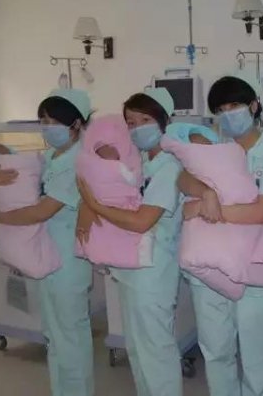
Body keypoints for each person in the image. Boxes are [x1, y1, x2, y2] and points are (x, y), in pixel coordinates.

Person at [179, 75, 263, 396]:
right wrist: (206, 192)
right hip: (210, 268)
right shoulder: (215, 150)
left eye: (234, 106)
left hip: (255, 268)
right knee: (216, 351)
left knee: (257, 355)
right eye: (221, 110)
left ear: (253, 106)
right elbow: (183, 177)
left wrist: (206, 209)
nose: (228, 115)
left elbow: (262, 211)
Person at [76, 88, 186, 396]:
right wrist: (88, 205)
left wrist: (93, 205)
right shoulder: (137, 161)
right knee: (138, 350)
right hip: (129, 268)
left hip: (153, 272)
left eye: (145, 120)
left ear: (164, 121)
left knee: (156, 351)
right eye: (131, 122)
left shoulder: (169, 166)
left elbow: (141, 221)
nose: (137, 128)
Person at [0, 88, 95, 396]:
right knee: (54, 336)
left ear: (76, 124)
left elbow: (41, 211)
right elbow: (10, 175)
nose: (47, 128)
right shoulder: (49, 157)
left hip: (68, 262)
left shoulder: (80, 161)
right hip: (45, 257)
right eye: (43, 121)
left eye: (54, 121)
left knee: (70, 337)